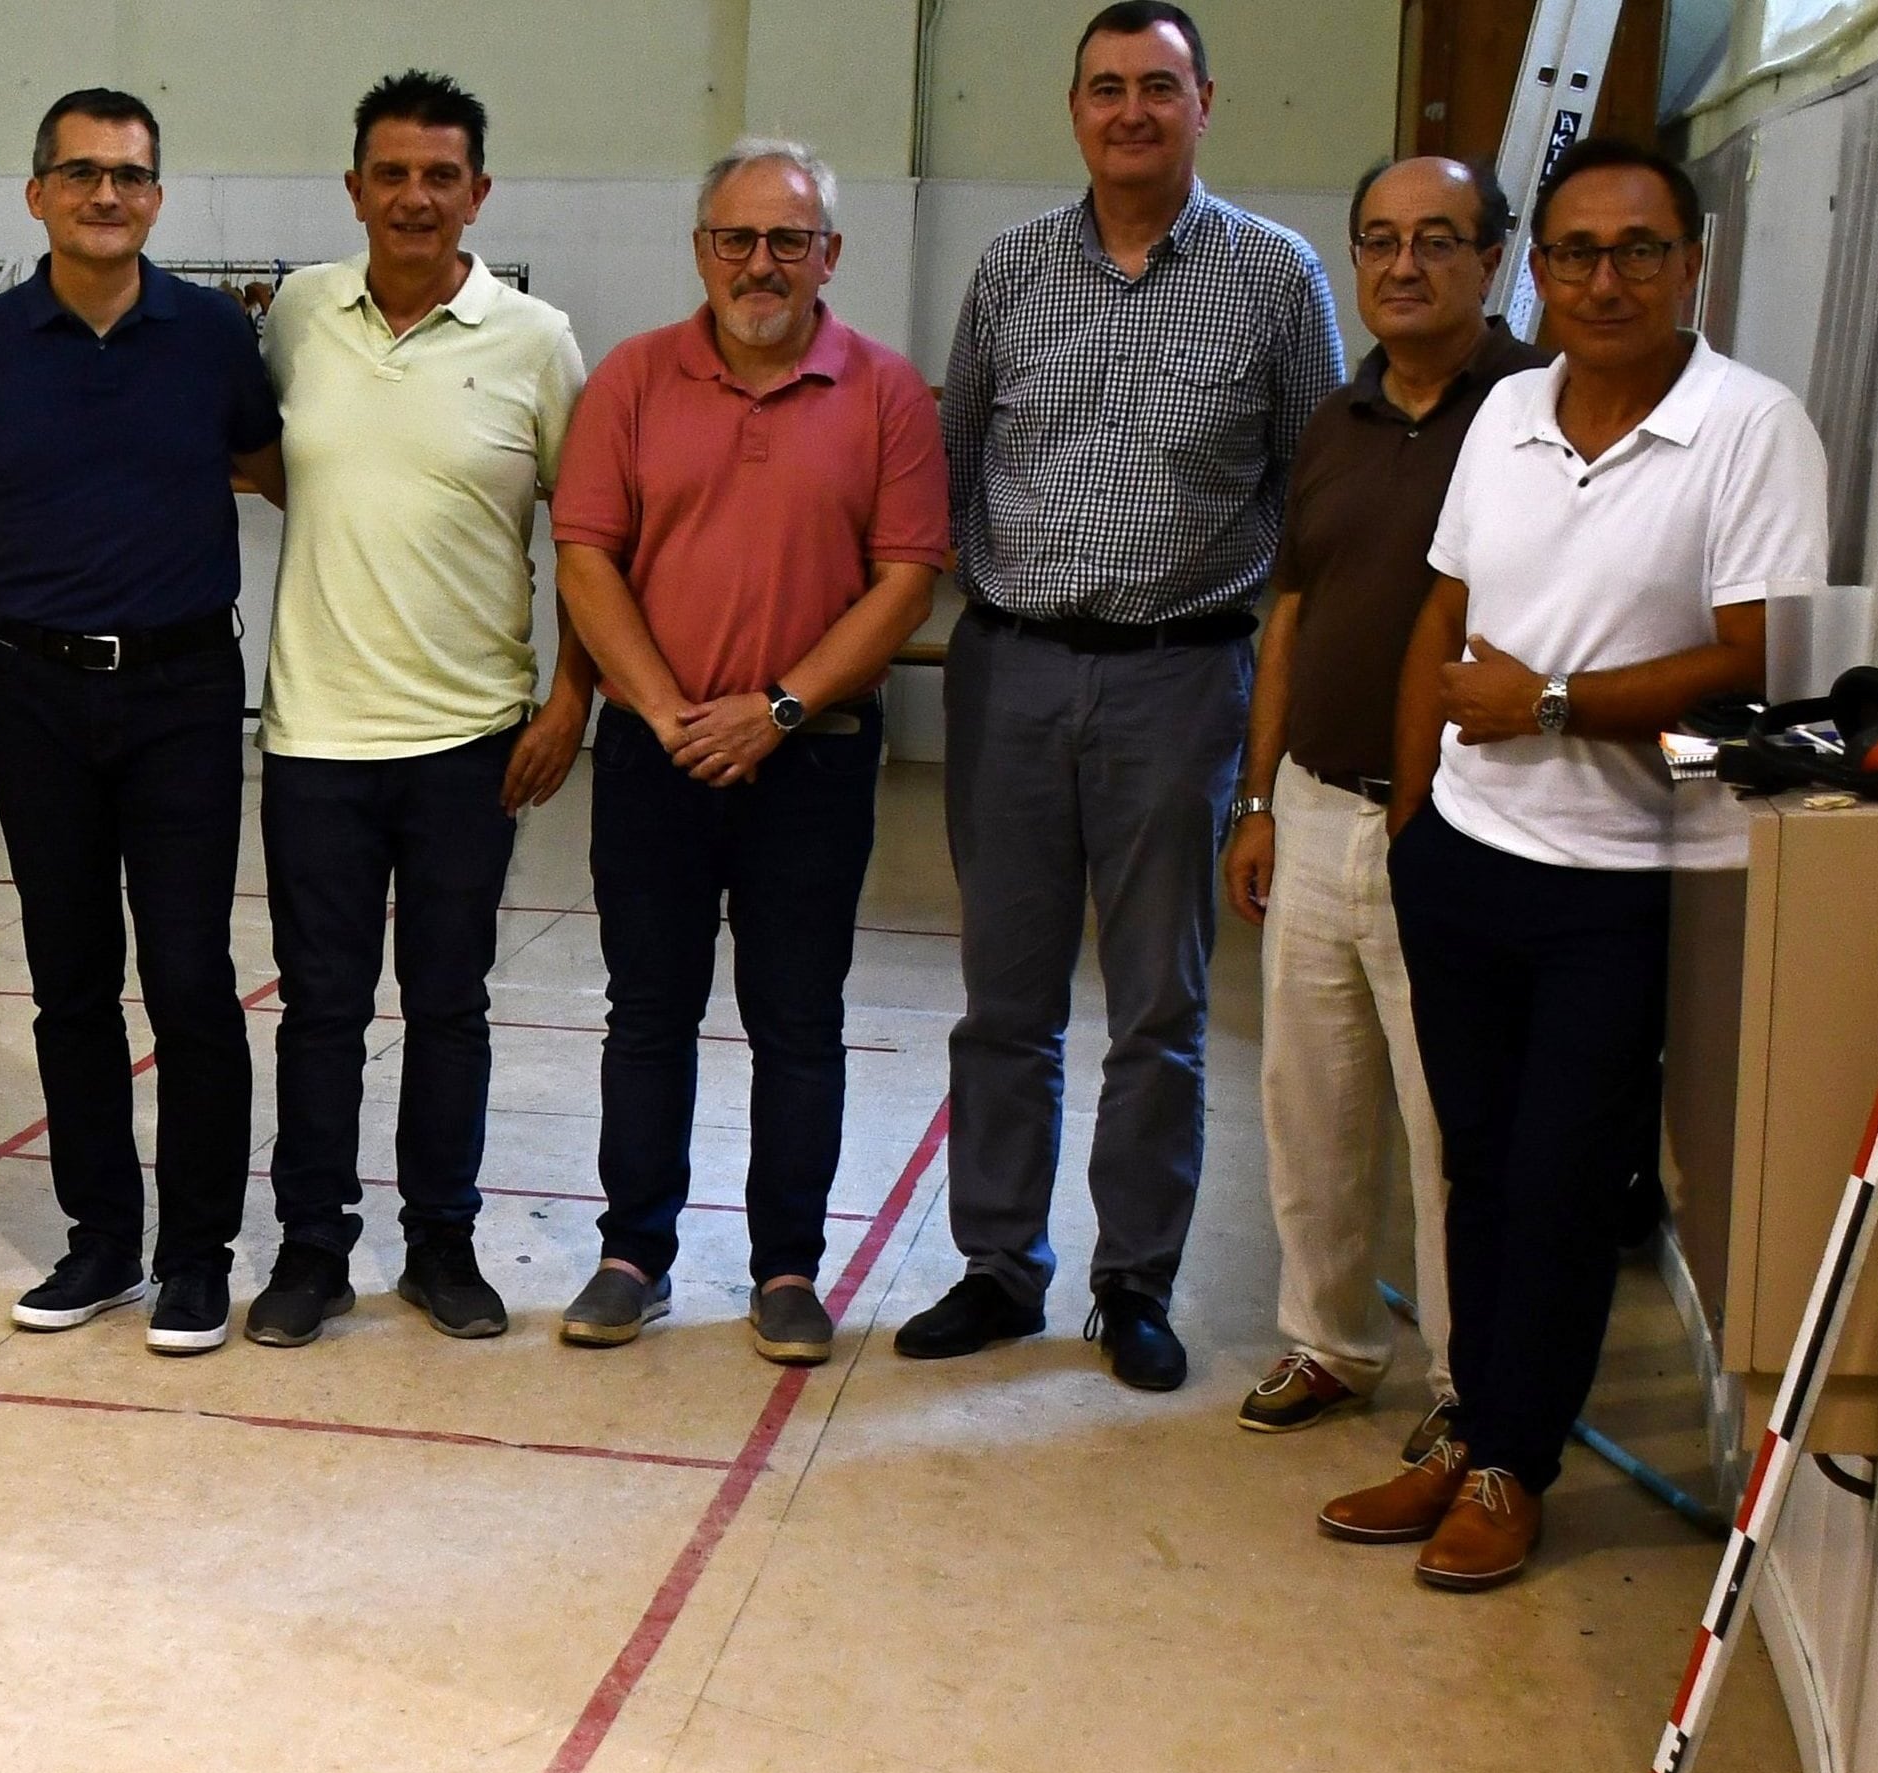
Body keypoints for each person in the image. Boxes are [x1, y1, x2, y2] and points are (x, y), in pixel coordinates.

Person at [1332, 138, 1827, 1592]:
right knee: (1468, 1164)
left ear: (1693, 266)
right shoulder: (1507, 413)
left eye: (1637, 251)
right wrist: (1420, 813)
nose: (1603, 279)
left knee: (1557, 1182)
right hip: (1467, 858)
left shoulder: (1750, 427)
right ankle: (1466, 1424)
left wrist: (1547, 704)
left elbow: (1759, 658)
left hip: (1631, 881)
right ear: (1532, 270)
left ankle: (1511, 1466)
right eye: (1574, 253)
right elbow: (1446, 612)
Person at [904, 1, 1344, 1392]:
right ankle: (995, 1268)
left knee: (1158, 1001)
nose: (1131, 112)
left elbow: (1310, 499)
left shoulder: (1274, 279)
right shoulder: (1010, 270)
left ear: (1203, 102)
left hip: (1181, 678)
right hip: (1014, 673)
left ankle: (1132, 1282)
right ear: (1074, 109)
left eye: (1158, 87)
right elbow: (956, 454)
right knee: (1003, 997)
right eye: (1106, 89)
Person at [548, 138, 947, 1360]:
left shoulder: (884, 392)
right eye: (737, 238)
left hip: (811, 762)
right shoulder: (628, 380)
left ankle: (786, 1271)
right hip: (652, 754)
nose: (760, 263)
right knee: (647, 1012)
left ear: (830, 254)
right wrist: (668, 711)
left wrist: (772, 710)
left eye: (787, 240)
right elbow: (583, 559)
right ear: (700, 250)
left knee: (797, 1020)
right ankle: (634, 1255)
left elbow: (905, 581)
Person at [0, 87, 283, 1354]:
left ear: (156, 198)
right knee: (68, 982)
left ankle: (196, 1256)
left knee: (188, 979)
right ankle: (101, 1245)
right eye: (79, 173)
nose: (104, 195)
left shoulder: (212, 338)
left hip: (183, 693)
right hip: (34, 692)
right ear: (37, 196)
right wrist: (59, 590)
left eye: (128, 175)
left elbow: (261, 465)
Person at [246, 69, 591, 1348]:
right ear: (354, 189)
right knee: (322, 1009)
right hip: (315, 738)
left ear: (477, 192)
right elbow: (263, 465)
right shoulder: (295, 317)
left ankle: (441, 1244)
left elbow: (596, 536)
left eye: (439, 175)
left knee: (449, 1004)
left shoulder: (535, 341)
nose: (414, 196)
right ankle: (310, 1252)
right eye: (390, 173)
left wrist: (570, 699)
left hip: (472, 741)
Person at [1222, 156, 1535, 1447]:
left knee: (1449, 1128)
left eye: (1435, 241)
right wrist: (1254, 796)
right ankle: (1331, 1342)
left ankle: (1471, 1388)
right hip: (1310, 811)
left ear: (1489, 258)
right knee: (1310, 1105)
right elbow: (1287, 614)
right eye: (1377, 241)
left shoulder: (1533, 414)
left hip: (1458, 821)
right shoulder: (1335, 420)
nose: (1401, 266)